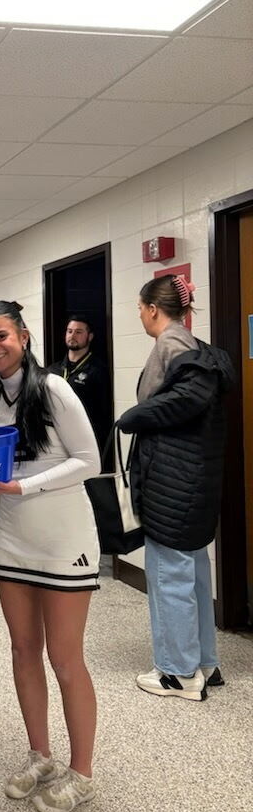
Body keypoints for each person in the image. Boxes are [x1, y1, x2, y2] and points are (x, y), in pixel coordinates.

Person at [0, 300, 100, 812]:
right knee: (23, 650)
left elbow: (89, 461)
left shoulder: (55, 388)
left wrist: (24, 486)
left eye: (1, 336)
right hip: (14, 539)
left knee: (65, 658)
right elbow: (2, 468)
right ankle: (40, 755)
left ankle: (82, 773)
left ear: (23, 336)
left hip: (64, 540)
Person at [118, 275, 233, 701]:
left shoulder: (174, 349)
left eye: (140, 309)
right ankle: (205, 662)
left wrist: (134, 417)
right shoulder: (198, 350)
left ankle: (177, 673)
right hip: (193, 483)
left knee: (169, 577)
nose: (140, 315)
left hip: (173, 485)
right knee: (194, 575)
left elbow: (180, 401)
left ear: (153, 309)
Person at [47, 315, 111, 456]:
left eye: (78, 332)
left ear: (90, 336)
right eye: (69, 331)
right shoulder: (52, 370)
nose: (72, 336)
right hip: (56, 440)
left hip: (85, 440)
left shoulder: (98, 370)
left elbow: (104, 414)